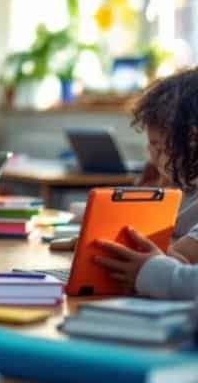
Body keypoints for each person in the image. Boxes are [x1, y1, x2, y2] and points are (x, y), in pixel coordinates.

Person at [95, 68, 198, 299]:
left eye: (160, 148)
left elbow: (180, 259)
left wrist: (108, 242)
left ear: (193, 140)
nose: (153, 156)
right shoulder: (181, 186)